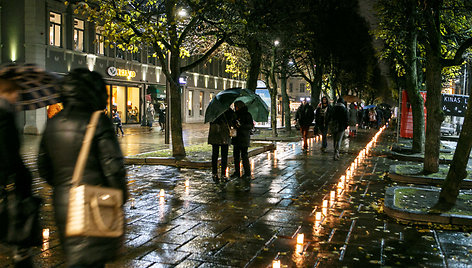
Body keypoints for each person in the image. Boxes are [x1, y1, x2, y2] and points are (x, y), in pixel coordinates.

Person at [37, 69, 128, 268]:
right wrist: (121, 196)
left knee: (76, 258)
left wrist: (64, 185)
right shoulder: (98, 120)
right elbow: (113, 168)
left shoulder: (53, 123)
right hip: (94, 201)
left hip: (63, 203)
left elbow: (42, 167)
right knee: (94, 260)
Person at [0, 75, 35, 267]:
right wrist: (24, 176)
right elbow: (10, 156)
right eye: (14, 92)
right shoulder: (4, 116)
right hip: (7, 185)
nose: (16, 96)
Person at [208, 108, 235, 183]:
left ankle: (215, 173)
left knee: (215, 155)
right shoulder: (228, 111)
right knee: (224, 155)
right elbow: (232, 121)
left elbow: (210, 121)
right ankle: (223, 174)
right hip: (224, 135)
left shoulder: (213, 111)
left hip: (215, 135)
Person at [231, 101, 254, 179]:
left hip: (243, 137)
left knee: (244, 155)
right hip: (236, 138)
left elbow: (250, 126)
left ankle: (247, 173)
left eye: (236, 106)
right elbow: (232, 123)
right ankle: (237, 172)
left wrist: (241, 126)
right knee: (236, 156)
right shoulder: (235, 114)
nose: (235, 108)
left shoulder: (247, 115)